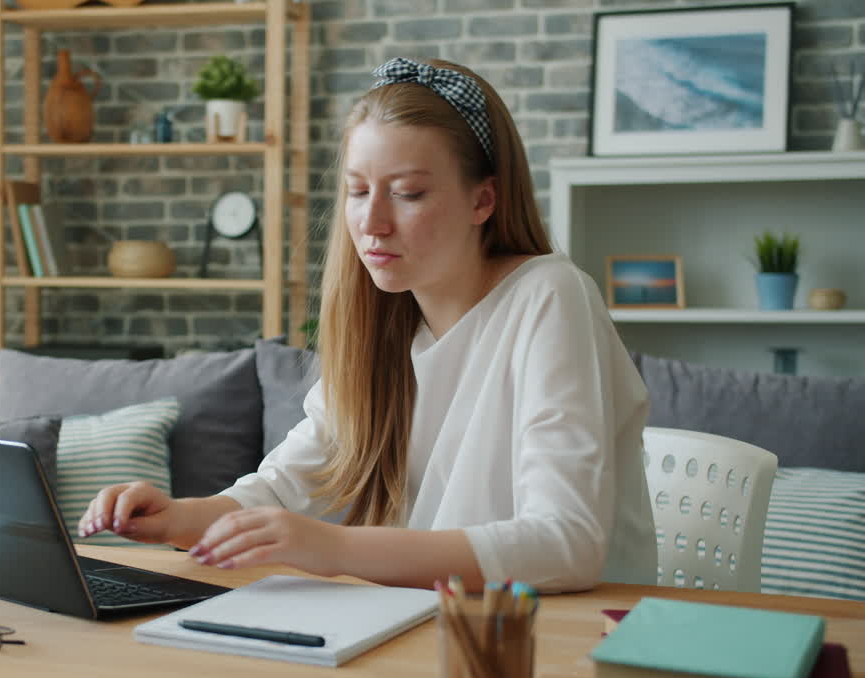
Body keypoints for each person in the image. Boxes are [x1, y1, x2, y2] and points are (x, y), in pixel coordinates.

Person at [78, 58, 656, 592]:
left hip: (564, 637)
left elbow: (567, 543)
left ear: (484, 200)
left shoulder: (550, 296)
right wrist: (180, 516)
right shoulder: (387, 322)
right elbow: (282, 487)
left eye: (408, 193)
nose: (372, 223)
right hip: (435, 622)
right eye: (357, 191)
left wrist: (333, 546)